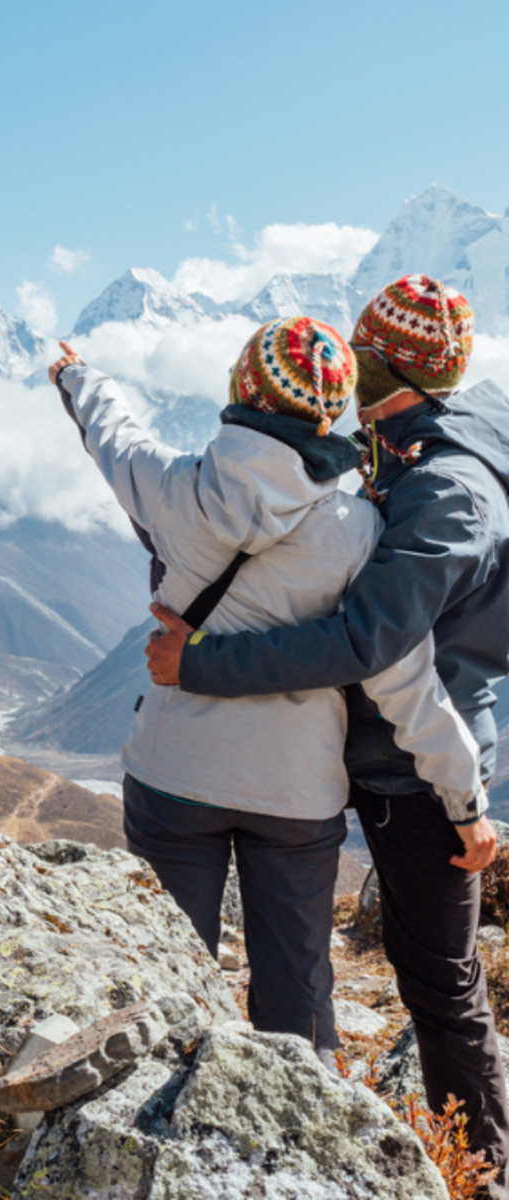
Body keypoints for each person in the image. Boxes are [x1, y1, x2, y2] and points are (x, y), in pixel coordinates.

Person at [144, 275, 509, 1188]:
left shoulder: (453, 490)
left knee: (440, 988)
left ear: (398, 366)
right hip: (360, 761)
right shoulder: (396, 443)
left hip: (420, 774)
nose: (349, 352)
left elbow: (366, 641)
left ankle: (487, 1174)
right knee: (343, 974)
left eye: (365, 343)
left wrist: (197, 666)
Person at [49, 314, 486, 1063]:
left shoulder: (170, 486)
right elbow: (406, 682)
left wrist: (75, 377)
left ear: (243, 388)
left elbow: (111, 436)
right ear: (332, 411)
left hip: (172, 774)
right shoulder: (356, 530)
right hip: (296, 795)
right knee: (298, 995)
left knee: (168, 974)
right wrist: (464, 799)